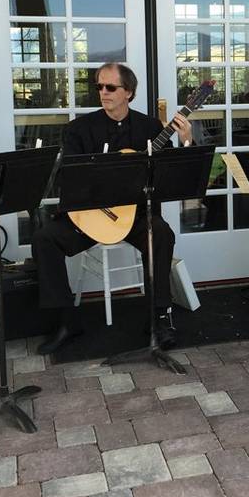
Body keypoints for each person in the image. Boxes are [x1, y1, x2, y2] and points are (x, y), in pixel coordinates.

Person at [31, 62, 192, 354]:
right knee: (45, 239)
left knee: (162, 234)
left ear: (128, 92)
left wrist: (186, 140)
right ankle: (67, 320)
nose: (102, 93)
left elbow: (172, 176)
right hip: (91, 216)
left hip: (135, 216)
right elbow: (68, 178)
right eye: (99, 87)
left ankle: (158, 319)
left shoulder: (150, 128)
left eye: (110, 87)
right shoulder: (78, 130)